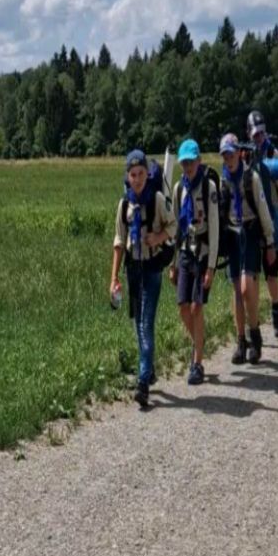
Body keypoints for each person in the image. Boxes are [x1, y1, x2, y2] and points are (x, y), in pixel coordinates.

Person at [111, 149, 177, 408]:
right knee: (137, 321)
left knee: (145, 323)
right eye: (133, 174)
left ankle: (142, 383)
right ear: (127, 177)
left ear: (148, 175)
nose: (137, 179)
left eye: (141, 174)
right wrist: (114, 277)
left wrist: (158, 238)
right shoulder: (124, 205)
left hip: (151, 267)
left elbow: (173, 226)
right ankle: (148, 368)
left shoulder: (158, 200)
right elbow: (119, 242)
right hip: (133, 269)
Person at [220, 133, 276, 364]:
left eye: (231, 154)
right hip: (232, 235)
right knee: (237, 290)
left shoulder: (251, 177)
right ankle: (241, 341)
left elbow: (263, 209)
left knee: (246, 287)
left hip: (250, 233)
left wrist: (270, 242)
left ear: (238, 153)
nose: (228, 159)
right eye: (225, 156)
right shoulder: (223, 181)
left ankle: (255, 334)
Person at [169, 138, 219, 386]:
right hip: (185, 252)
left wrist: (211, 267)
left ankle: (197, 362)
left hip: (203, 252)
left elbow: (215, 229)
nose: (188, 167)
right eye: (184, 163)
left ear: (199, 161)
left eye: (191, 162)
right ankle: (199, 343)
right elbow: (176, 228)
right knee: (182, 306)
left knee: (197, 307)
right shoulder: (179, 189)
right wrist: (172, 263)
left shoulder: (209, 188)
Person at [245, 110, 278, 337]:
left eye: (262, 133)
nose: (259, 138)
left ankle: (276, 308)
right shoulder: (245, 156)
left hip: (272, 220)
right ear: (248, 134)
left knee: (271, 273)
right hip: (252, 222)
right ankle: (253, 324)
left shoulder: (274, 154)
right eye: (255, 134)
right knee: (252, 275)